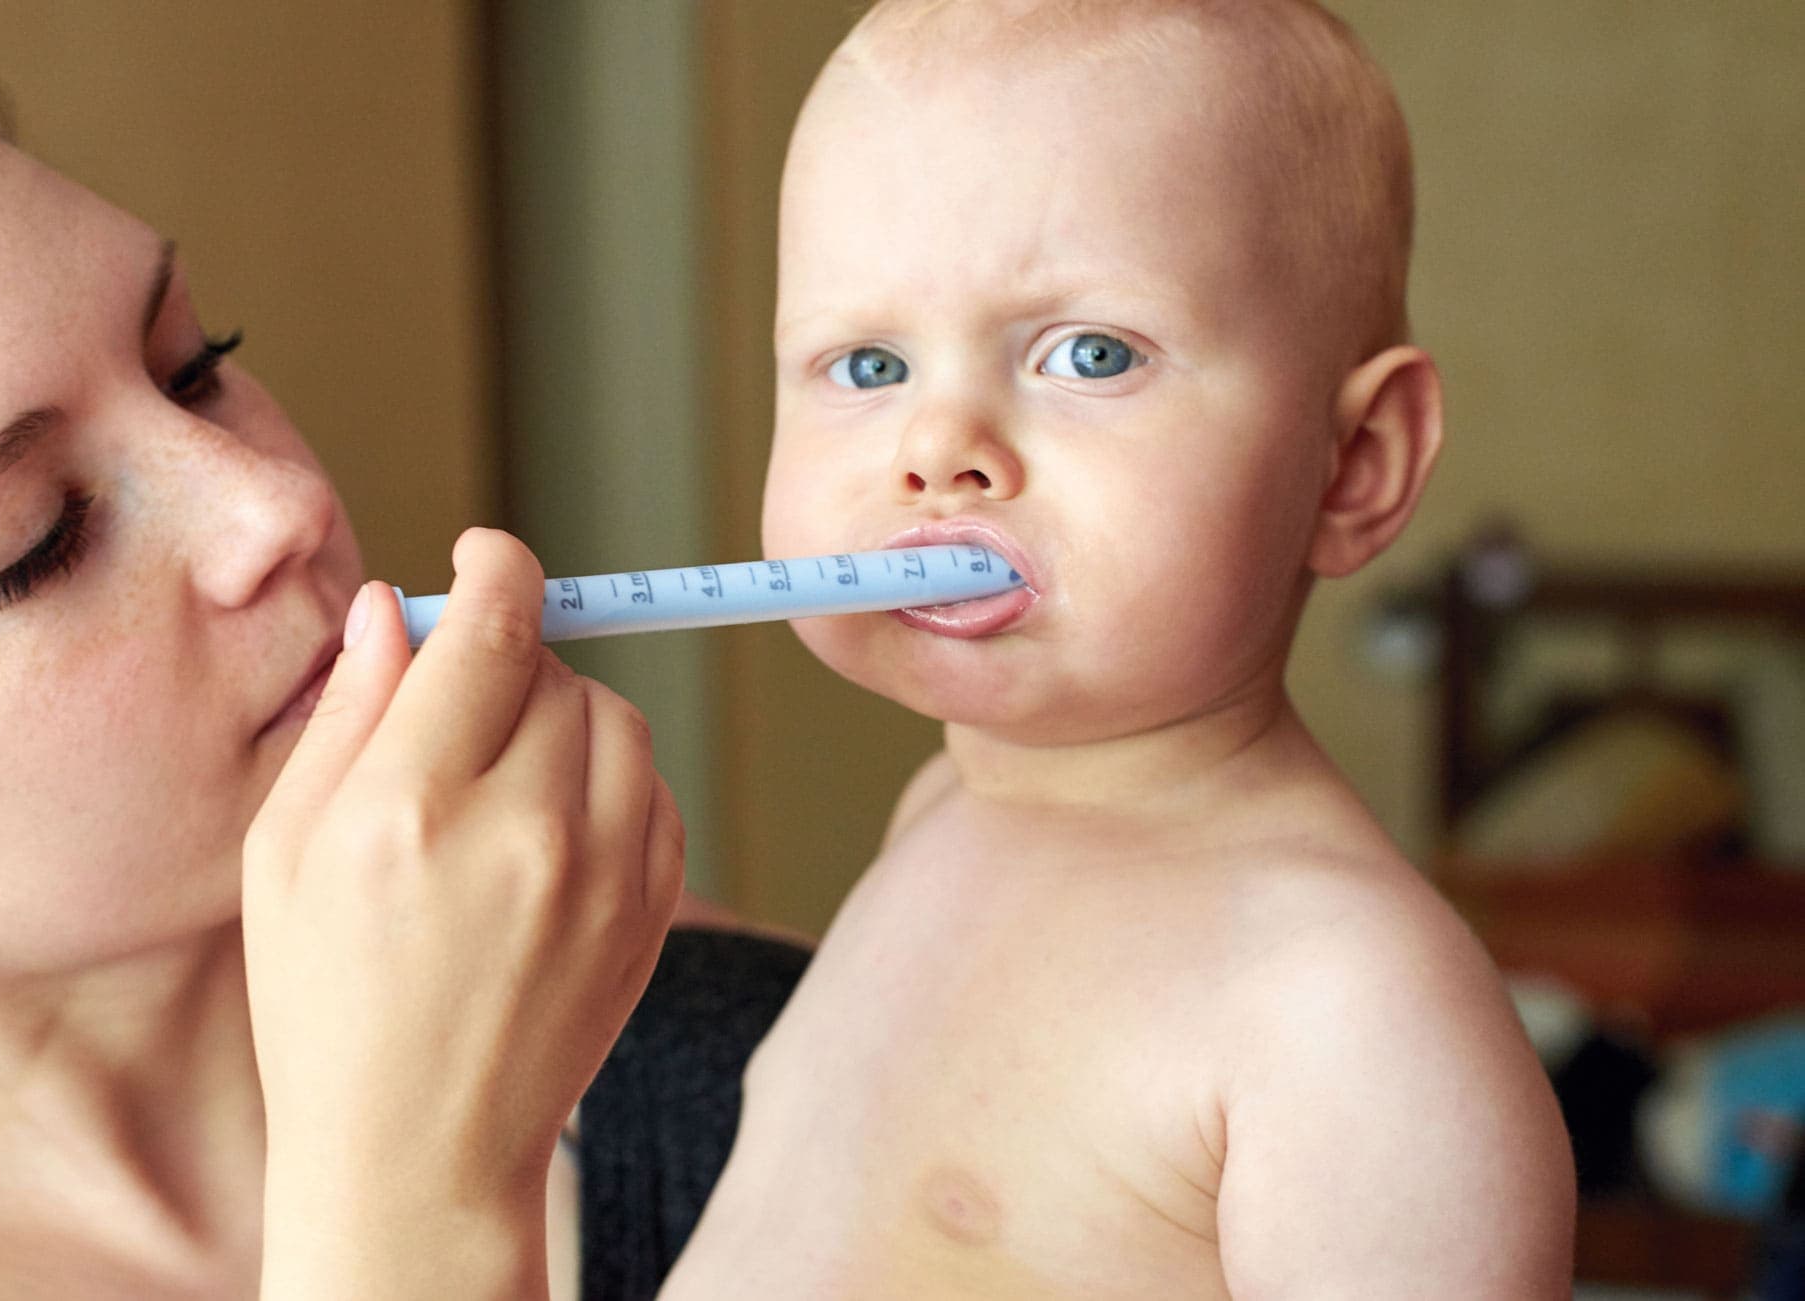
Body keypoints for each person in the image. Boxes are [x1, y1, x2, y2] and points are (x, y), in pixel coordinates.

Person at [0, 7, 806, 1299]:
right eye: (43, 539)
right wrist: (424, 1195)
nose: (273, 507)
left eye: (196, 367)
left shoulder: (782, 1067)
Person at [661, 0, 1577, 1296]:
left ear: (1352, 467)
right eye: (865, 365)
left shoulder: (1345, 1012)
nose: (937, 446)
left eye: (1088, 353)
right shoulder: (946, 807)